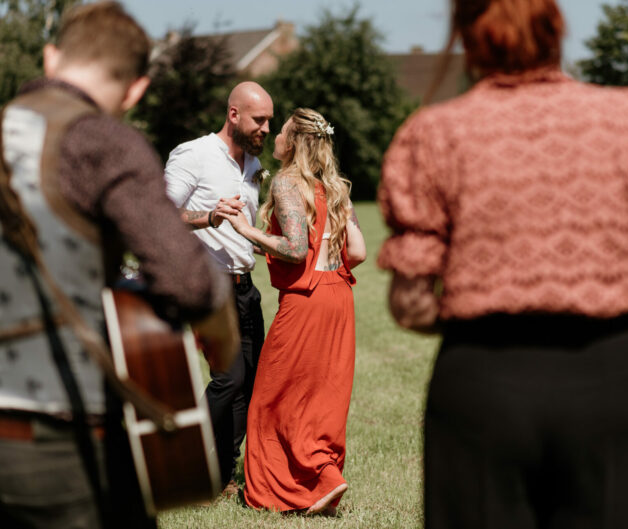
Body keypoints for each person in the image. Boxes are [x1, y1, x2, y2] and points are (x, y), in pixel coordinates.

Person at [377, 0, 628, 528]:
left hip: (482, 379)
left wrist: (482, 305)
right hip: (608, 375)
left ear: (465, 35)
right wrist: (609, 291)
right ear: (557, 28)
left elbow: (411, 306)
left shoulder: (435, 132)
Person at [0, 2, 238, 529]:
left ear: (51, 56)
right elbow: (189, 282)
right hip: (62, 444)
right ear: (136, 90)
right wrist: (224, 346)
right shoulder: (102, 142)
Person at [222, 108, 366, 514]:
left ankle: (287, 490)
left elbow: (296, 247)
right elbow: (358, 251)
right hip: (340, 296)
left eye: (282, 131)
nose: (275, 137)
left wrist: (249, 231)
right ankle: (324, 478)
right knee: (319, 398)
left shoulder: (288, 182)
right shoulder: (334, 186)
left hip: (307, 302)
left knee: (271, 399)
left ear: (295, 142)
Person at [163, 81, 273, 495]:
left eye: (268, 122)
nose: (265, 128)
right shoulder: (195, 154)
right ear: (234, 115)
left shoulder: (252, 165)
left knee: (249, 382)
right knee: (229, 378)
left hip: (246, 286)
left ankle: (223, 474)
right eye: (258, 120)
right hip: (207, 284)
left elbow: (244, 232)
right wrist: (208, 216)